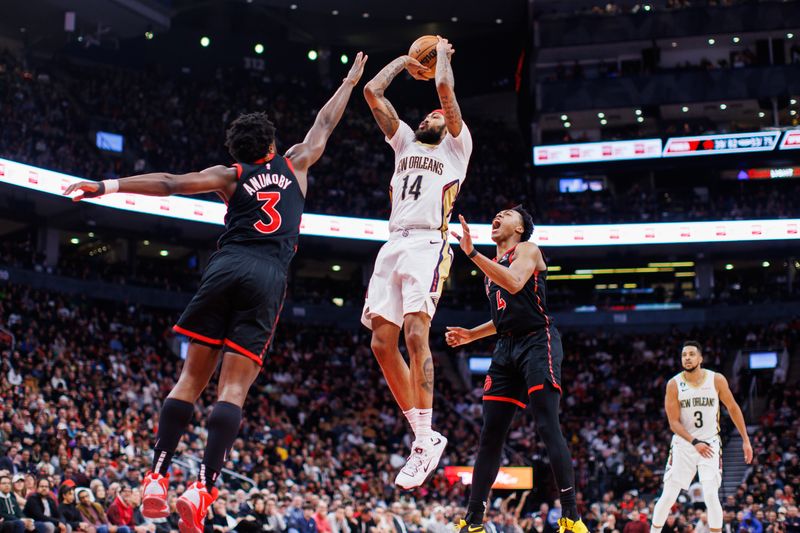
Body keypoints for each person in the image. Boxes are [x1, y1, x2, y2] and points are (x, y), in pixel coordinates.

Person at [64, 53, 368, 533]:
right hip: (268, 274)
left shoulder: (231, 176)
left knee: (189, 381)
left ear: (240, 152)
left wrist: (106, 185)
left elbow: (169, 183)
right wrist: (349, 81)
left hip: (225, 267)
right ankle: (202, 486)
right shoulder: (297, 162)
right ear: (270, 143)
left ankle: (157, 478)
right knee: (233, 389)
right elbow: (324, 122)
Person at [361, 36, 473, 489]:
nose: (432, 115)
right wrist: (404, 60)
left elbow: (446, 93)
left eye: (438, 116)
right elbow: (372, 92)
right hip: (392, 245)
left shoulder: (456, 149)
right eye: (427, 114)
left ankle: (424, 439)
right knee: (380, 345)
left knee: (414, 332)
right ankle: (426, 439)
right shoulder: (404, 140)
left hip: (429, 244)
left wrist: (442, 53)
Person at [445, 207, 587, 533]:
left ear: (520, 227)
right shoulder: (490, 271)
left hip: (537, 340)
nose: (497, 217)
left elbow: (513, 283)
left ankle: (571, 516)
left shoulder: (526, 250)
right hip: (506, 348)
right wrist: (470, 334)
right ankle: (473, 521)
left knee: (546, 423)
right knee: (490, 435)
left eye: (506, 214)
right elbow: (501, 318)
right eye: (494, 214)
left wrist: (472, 253)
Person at [649, 341, 753, 533]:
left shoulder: (716, 379)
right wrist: (694, 442)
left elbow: (733, 408)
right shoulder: (673, 384)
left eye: (691, 354)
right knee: (669, 495)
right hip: (684, 444)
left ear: (700, 358)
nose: (687, 358)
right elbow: (673, 423)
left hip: (710, 443)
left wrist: (746, 440)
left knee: (711, 495)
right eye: (684, 355)